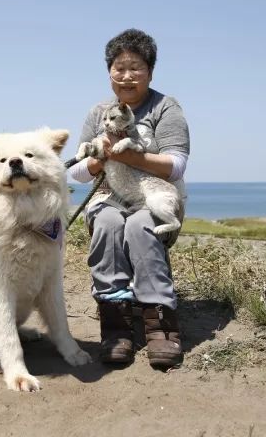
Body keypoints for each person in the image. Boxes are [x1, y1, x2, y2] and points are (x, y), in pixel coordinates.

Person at [69, 28, 190, 368]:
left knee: (140, 227)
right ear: (109, 72)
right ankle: (116, 325)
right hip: (111, 196)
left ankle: (160, 323)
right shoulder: (98, 113)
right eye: (118, 68)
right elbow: (78, 173)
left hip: (154, 193)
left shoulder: (166, 108)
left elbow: (176, 166)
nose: (126, 76)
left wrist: (124, 157)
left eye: (135, 67)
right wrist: (100, 158)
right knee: (106, 223)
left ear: (150, 71)